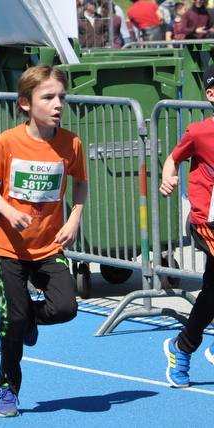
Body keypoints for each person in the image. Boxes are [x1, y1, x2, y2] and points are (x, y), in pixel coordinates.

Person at [0, 64, 88, 417]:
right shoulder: (8, 141)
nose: (58, 104)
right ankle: (7, 387)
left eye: (62, 97)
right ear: (26, 103)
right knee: (11, 321)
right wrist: (8, 211)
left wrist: (74, 218)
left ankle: (27, 318)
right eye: (48, 97)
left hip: (48, 246)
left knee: (65, 308)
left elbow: (81, 182)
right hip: (10, 247)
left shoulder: (71, 143)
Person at [159, 64, 214, 389]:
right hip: (208, 221)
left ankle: (182, 347)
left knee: (211, 292)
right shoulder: (199, 132)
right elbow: (173, 158)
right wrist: (168, 177)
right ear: (211, 94)